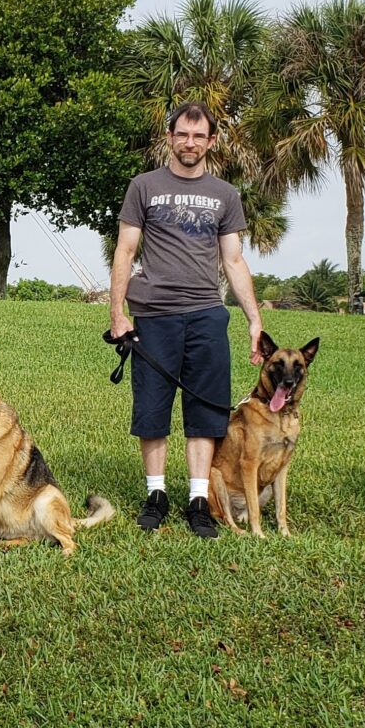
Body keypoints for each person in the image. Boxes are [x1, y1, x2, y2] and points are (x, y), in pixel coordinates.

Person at [106, 102, 264, 539]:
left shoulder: (225, 195)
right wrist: (118, 313)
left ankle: (198, 499)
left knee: (206, 409)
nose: (189, 142)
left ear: (210, 142)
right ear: (170, 137)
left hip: (207, 315)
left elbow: (233, 260)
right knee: (152, 408)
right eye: (182, 134)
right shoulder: (144, 186)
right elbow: (125, 251)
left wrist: (254, 320)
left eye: (199, 136)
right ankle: (155, 494)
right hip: (153, 314)